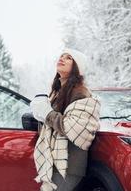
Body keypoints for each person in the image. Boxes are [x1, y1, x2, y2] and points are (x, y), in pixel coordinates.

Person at [30, 48, 101, 191]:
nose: (62, 58)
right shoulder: (58, 92)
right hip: (55, 162)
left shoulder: (80, 92)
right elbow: (51, 126)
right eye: (61, 56)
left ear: (76, 67)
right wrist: (40, 113)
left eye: (68, 58)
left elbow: (70, 127)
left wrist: (46, 112)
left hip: (69, 165)